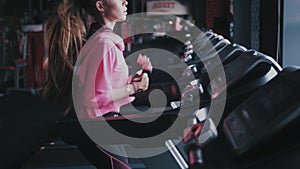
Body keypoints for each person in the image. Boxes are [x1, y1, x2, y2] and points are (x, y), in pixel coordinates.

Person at [43, 0, 152, 168]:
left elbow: (104, 87)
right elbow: (94, 97)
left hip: (105, 125)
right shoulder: (103, 44)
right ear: (100, 6)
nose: (125, 1)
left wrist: (132, 81)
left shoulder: (105, 42)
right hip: (96, 128)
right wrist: (134, 87)